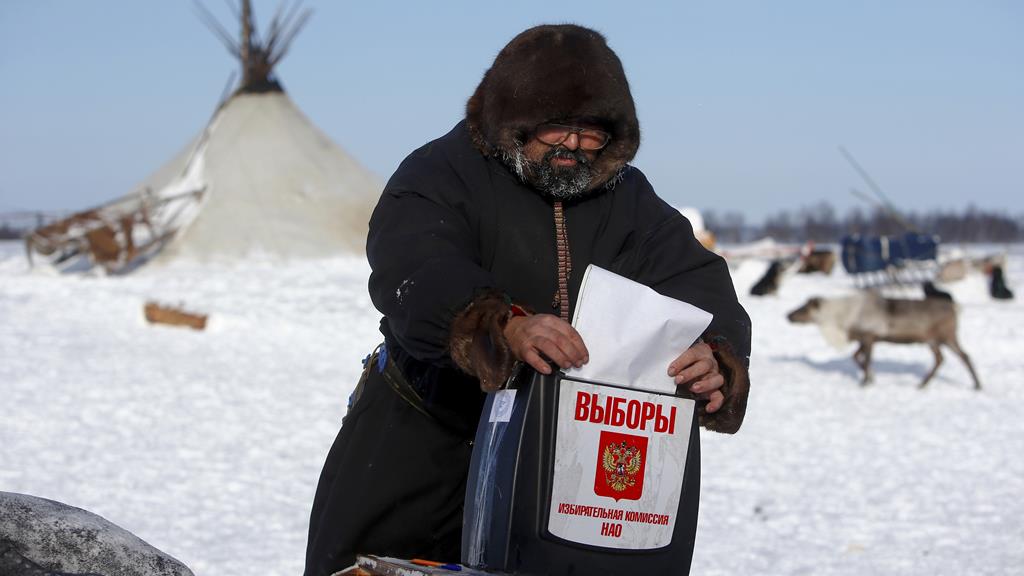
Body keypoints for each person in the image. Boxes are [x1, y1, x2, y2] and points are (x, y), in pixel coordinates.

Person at [304, 24, 751, 576]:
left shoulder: (629, 200)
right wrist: (501, 326)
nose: (573, 145)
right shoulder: (440, 173)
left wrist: (714, 354)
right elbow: (417, 264)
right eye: (556, 126)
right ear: (514, 120)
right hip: (424, 441)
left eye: (592, 132)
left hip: (562, 460)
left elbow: (694, 278)